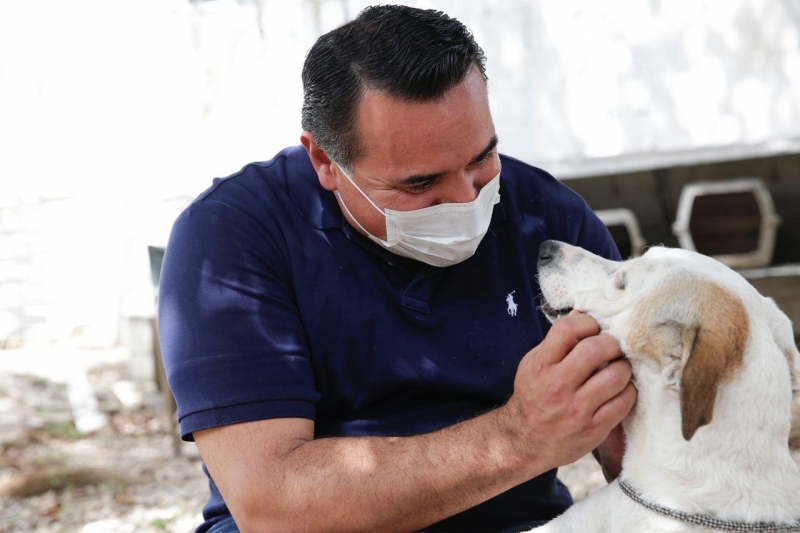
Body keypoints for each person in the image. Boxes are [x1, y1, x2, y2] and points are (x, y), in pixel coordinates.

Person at [159, 5, 636, 533]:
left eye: (481, 159)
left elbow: (640, 457)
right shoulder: (234, 237)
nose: (465, 201)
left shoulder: (547, 219)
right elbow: (272, 507)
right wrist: (518, 438)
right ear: (324, 161)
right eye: (418, 184)